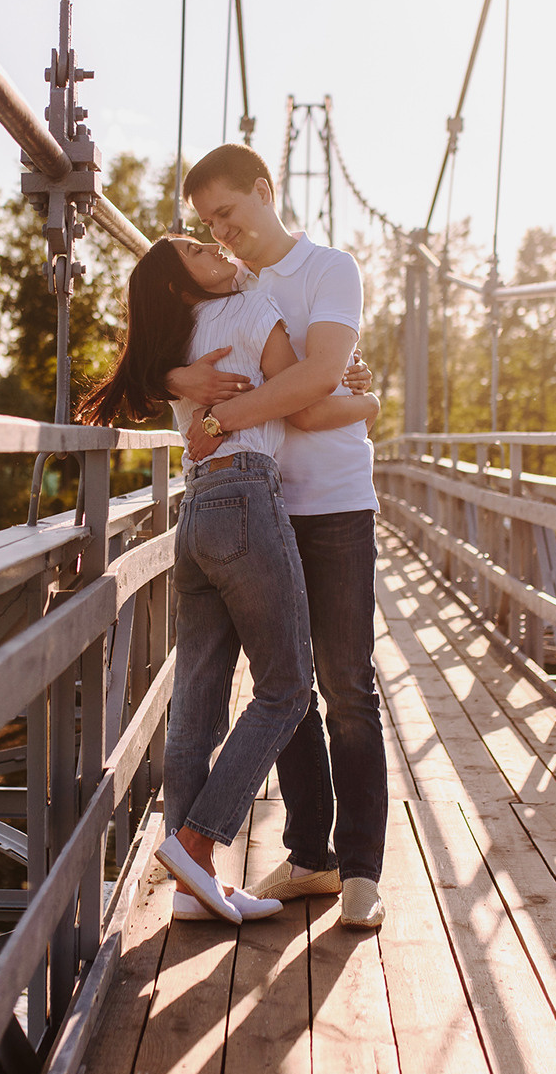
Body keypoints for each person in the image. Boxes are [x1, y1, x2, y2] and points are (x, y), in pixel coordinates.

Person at [78, 234, 378, 924]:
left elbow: (159, 379)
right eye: (198, 251)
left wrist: (336, 378)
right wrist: (364, 403)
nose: (217, 249)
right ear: (186, 285)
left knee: (200, 698)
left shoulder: (173, 341)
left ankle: (189, 891)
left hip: (197, 511)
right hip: (248, 496)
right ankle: (196, 843)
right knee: (288, 687)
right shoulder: (249, 305)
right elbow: (303, 406)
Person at [166, 142, 389, 930]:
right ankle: (311, 857)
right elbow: (166, 345)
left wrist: (225, 413)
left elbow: (312, 384)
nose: (219, 234)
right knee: (281, 686)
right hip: (259, 509)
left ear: (263, 191)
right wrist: (174, 380)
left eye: (227, 213)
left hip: (332, 502)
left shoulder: (331, 268)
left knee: (346, 686)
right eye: (206, 224)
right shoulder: (228, 284)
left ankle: (362, 869)